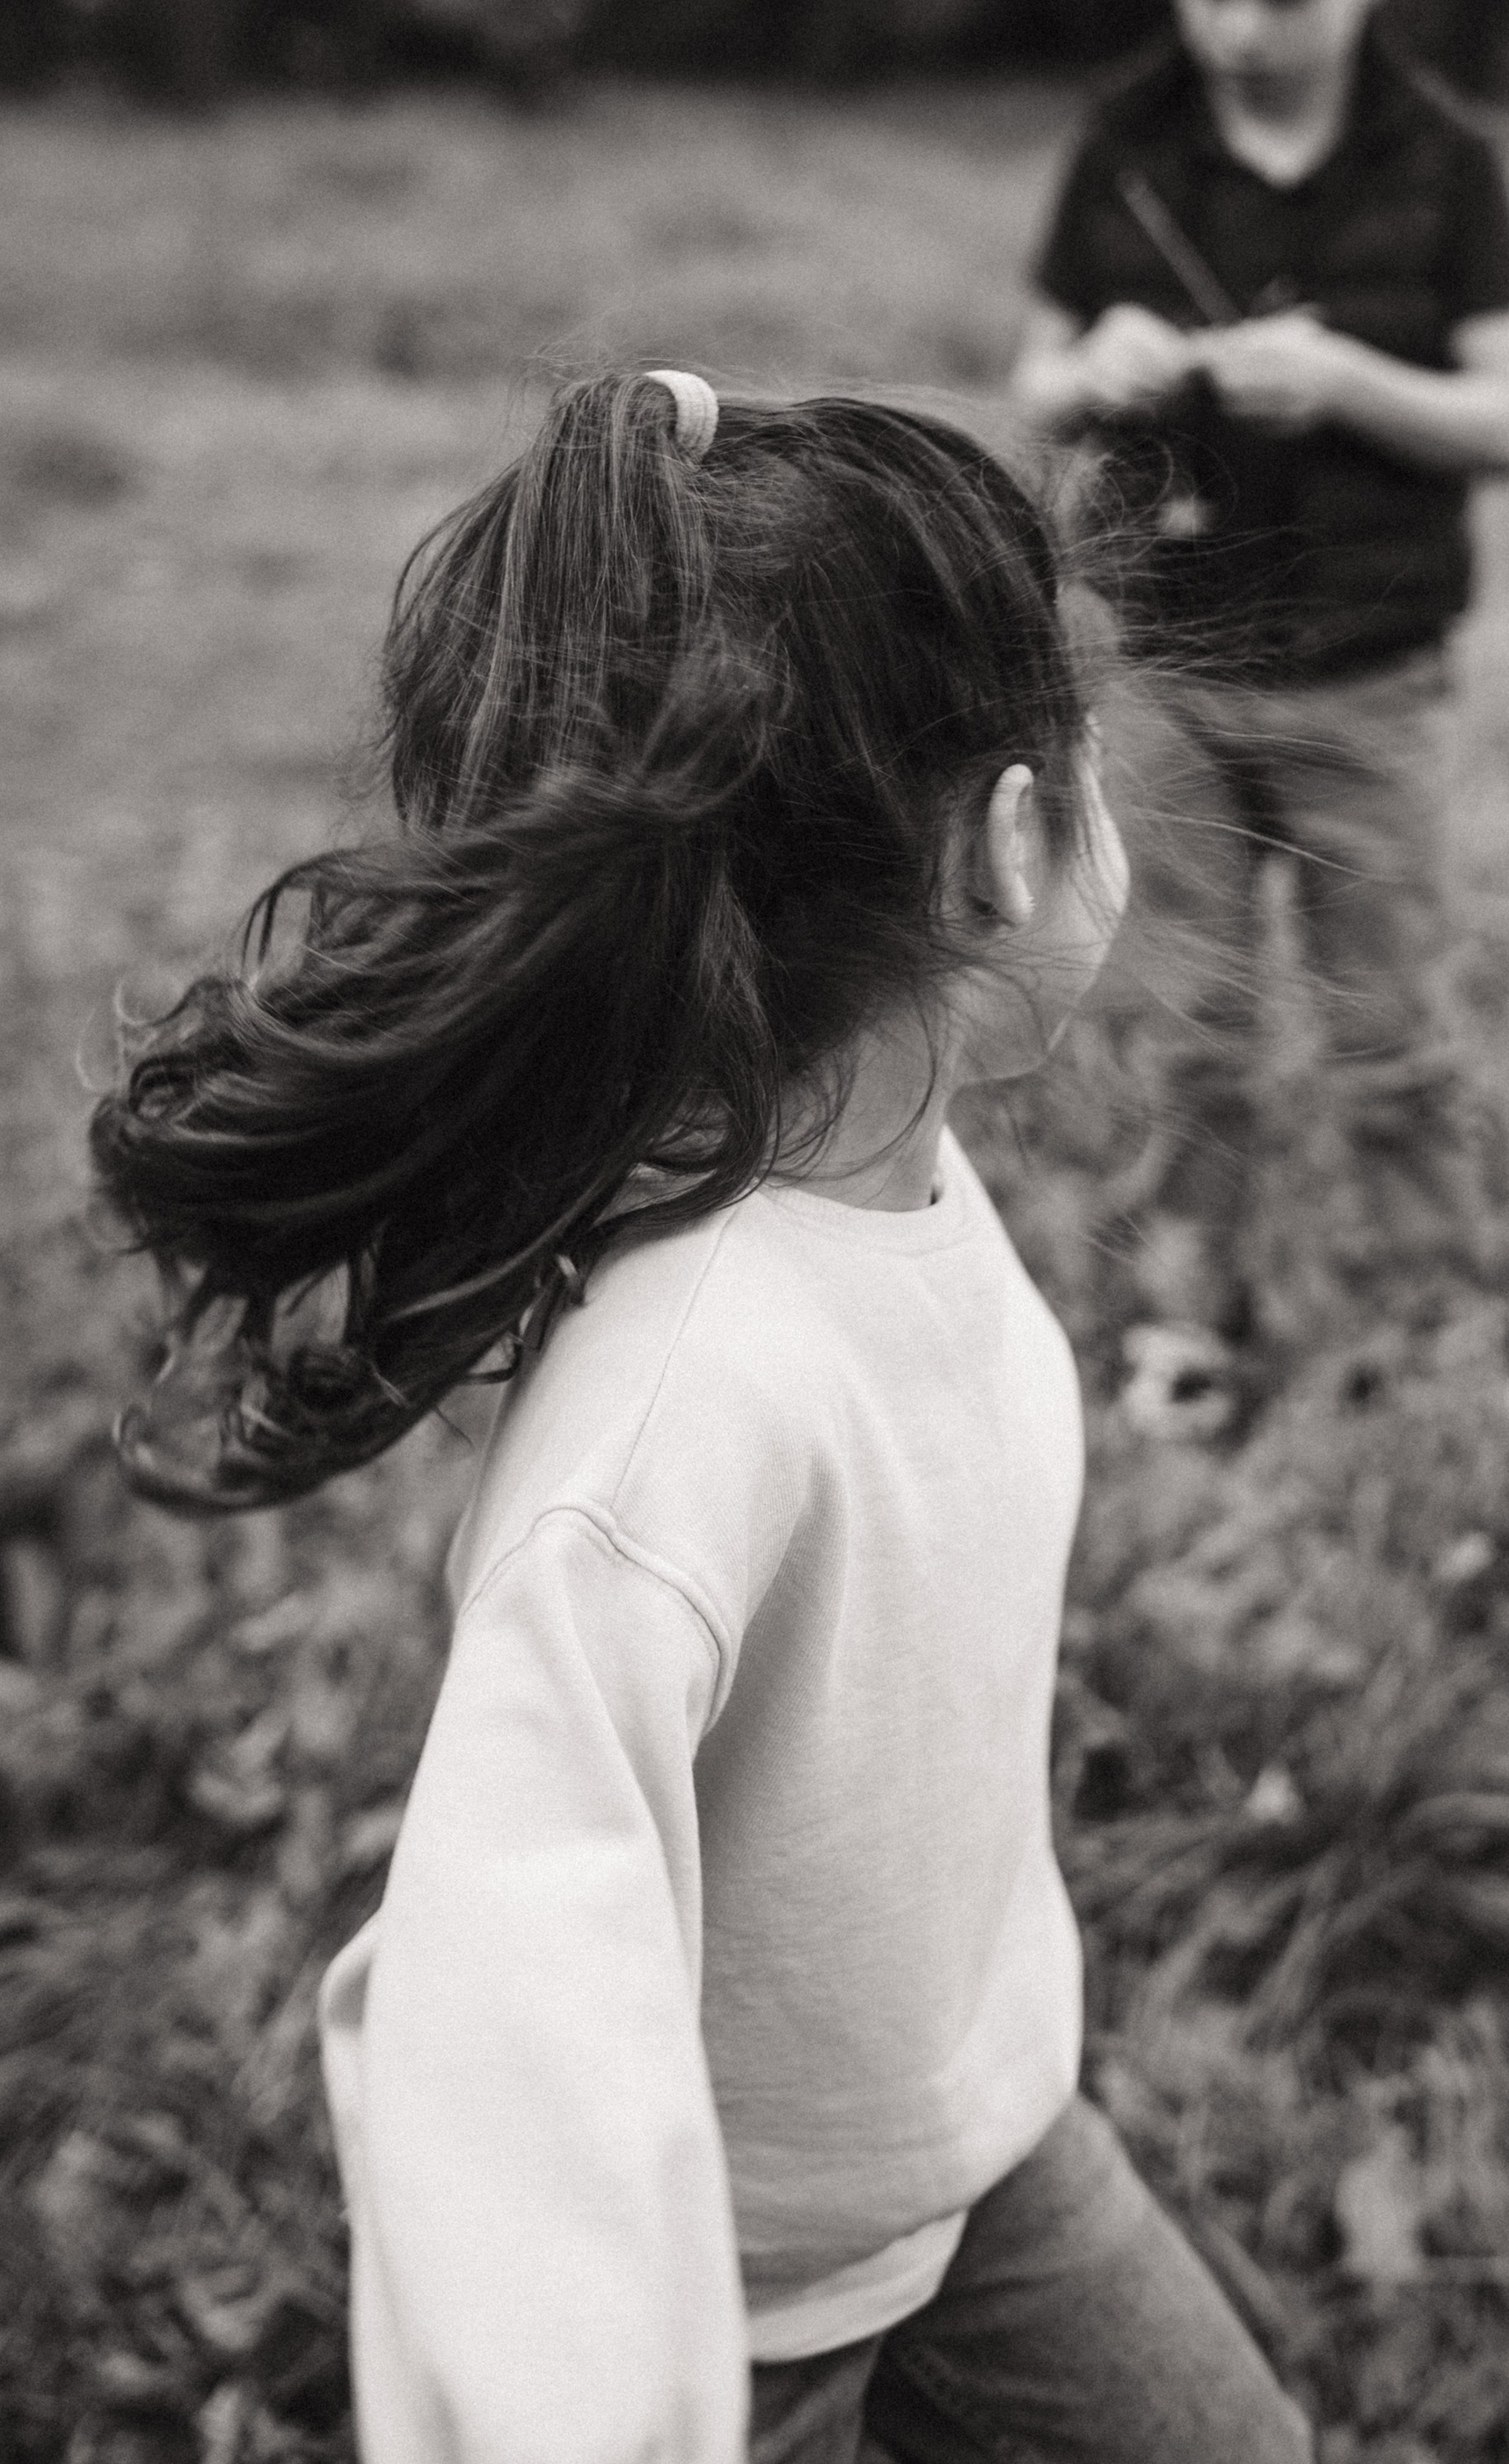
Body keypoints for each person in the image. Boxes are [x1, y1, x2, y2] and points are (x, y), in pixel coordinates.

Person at [90, 369, 1310, 2464]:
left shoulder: (888, 1166)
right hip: (736, 2302)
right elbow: (501, 2008)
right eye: (1085, 747)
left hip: (988, 2137)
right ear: (1008, 848)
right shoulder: (680, 1400)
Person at [1014, 0, 1509, 1368]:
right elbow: (1030, 374)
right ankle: (1192, 1319)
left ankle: (1426, 1315)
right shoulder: (1123, 145)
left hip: (1368, 683)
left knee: (1389, 1025)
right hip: (1168, 670)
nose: (1240, 24)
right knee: (1192, 1021)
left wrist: (1350, 379)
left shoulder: (1446, 167)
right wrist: (1084, 368)